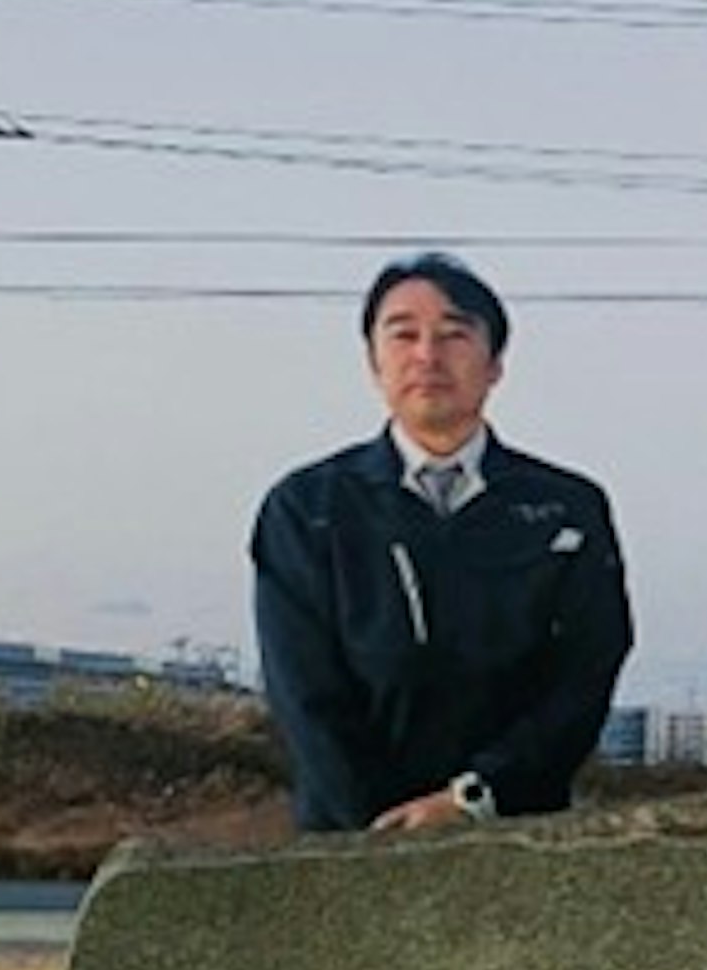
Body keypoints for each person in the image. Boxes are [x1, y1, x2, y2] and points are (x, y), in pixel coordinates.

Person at [251, 252, 633, 831]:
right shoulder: (309, 509)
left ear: (495, 363)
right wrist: (381, 822)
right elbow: (302, 691)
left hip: (515, 839)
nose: (427, 356)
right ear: (374, 362)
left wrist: (476, 797)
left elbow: (586, 674)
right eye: (403, 335)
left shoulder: (568, 508)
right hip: (351, 850)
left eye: (454, 335)